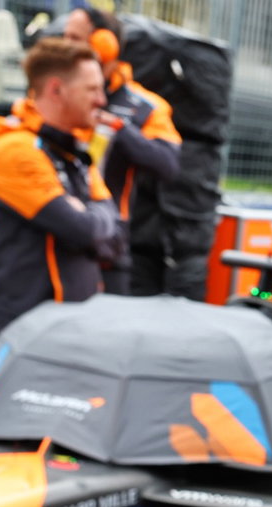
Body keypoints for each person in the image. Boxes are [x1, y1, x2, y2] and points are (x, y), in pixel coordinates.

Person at [0, 38, 125, 336]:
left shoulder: (73, 151)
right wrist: (90, 219)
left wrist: (90, 217)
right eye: (92, 89)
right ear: (56, 89)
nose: (101, 100)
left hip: (71, 325)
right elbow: (81, 229)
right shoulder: (14, 149)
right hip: (23, 330)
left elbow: (117, 236)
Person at [60, 6, 181, 295]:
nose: (63, 45)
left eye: (73, 37)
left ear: (105, 45)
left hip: (107, 243)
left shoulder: (145, 106)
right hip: (50, 232)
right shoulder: (52, 93)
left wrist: (117, 129)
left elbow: (168, 165)